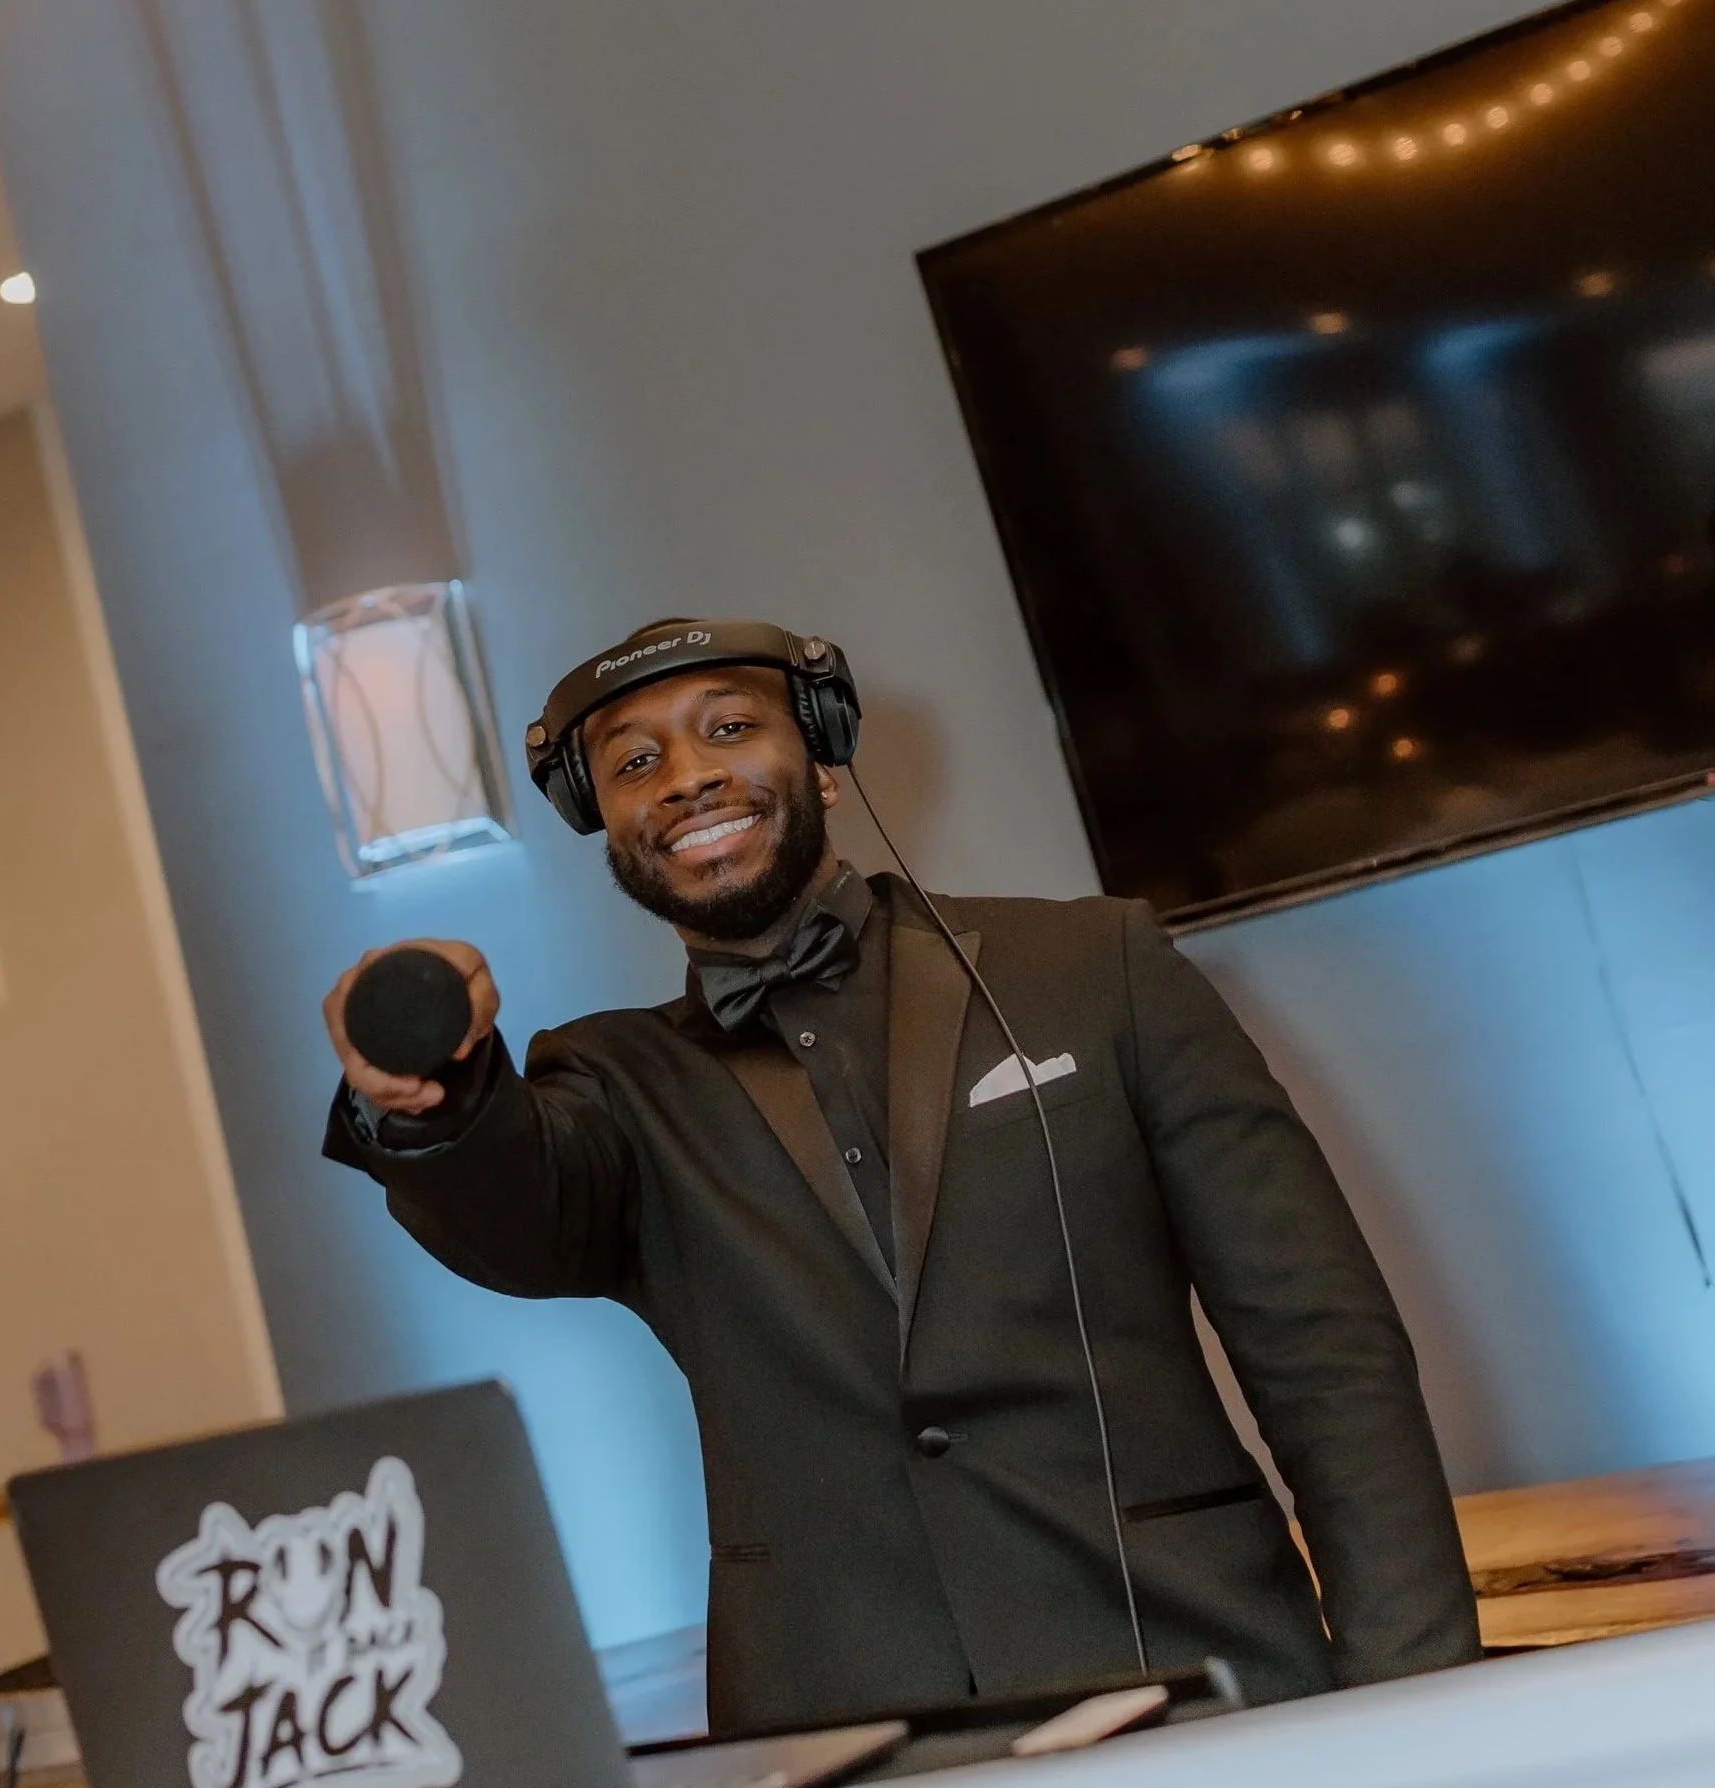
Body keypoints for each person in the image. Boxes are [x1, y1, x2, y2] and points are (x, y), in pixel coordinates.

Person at [323, 619, 1479, 1730]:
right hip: (851, 1745)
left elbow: (1321, 1349)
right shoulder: (612, 1083)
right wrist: (428, 1098)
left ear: (825, 757)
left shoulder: (1095, 967)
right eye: (634, 763)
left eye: (730, 729)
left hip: (1199, 1673)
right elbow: (513, 1209)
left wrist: (1415, 1695)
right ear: (607, 826)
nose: (685, 777)